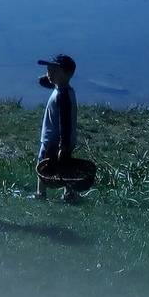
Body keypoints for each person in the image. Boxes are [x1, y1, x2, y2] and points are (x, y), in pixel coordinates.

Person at [32, 53, 92, 202]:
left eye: (54, 71)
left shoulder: (62, 96)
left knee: (43, 164)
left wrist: (62, 146)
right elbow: (45, 82)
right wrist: (48, 77)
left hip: (53, 139)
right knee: (66, 167)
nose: (49, 75)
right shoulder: (65, 90)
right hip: (66, 140)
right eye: (48, 71)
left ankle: (40, 194)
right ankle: (69, 194)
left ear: (67, 74)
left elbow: (64, 122)